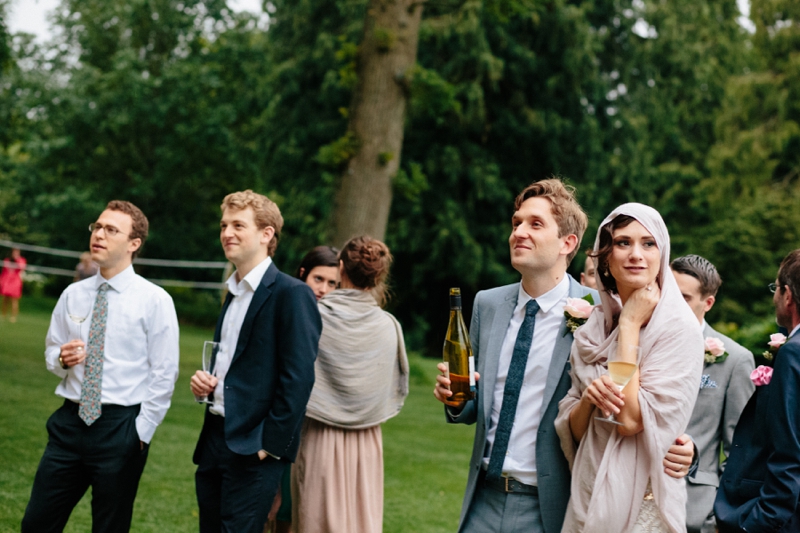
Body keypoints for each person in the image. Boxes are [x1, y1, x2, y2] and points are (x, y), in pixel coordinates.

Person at [433, 180, 695, 533]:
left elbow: (659, 390)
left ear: (567, 243)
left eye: (535, 224)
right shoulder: (488, 305)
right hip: (484, 496)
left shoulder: (593, 311)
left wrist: (687, 447)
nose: (519, 233)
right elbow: (478, 401)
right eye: (516, 223)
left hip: (552, 503)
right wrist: (456, 399)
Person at [21, 201, 180, 533]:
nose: (100, 235)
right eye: (97, 227)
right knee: (37, 523)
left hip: (120, 428)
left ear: (133, 244)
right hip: (69, 423)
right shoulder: (72, 294)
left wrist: (141, 433)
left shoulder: (155, 300)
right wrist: (61, 360)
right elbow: (52, 351)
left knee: (109, 527)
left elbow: (164, 373)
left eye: (111, 230)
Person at [554, 203, 704, 532]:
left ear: (661, 254)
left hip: (642, 504)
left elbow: (630, 419)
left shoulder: (679, 330)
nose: (636, 254)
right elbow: (578, 432)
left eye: (648, 243)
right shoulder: (592, 330)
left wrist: (631, 325)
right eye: (623, 243)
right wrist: (589, 399)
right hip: (588, 491)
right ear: (605, 256)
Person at [190, 190, 321, 533]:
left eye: (237, 225)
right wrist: (206, 385)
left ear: (266, 234)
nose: (226, 233)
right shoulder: (232, 292)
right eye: (223, 225)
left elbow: (299, 378)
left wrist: (269, 447)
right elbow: (236, 366)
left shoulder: (292, 294)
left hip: (253, 447)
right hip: (215, 439)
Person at [291, 235, 408, 533]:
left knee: (315, 522)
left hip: (318, 434)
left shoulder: (312, 317)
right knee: (361, 523)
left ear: (340, 267)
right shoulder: (389, 326)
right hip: (368, 440)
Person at [714, 249, 800, 533]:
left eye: (776, 288)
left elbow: (788, 451)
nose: (774, 296)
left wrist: (757, 522)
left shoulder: (793, 354)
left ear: (788, 295)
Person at [670, 255, 755, 533]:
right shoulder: (635, 343)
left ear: (707, 303)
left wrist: (719, 515)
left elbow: (740, 452)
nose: (670, 303)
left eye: (683, 297)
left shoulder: (735, 360)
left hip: (694, 512)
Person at [265, 244, 340, 533]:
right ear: (303, 275)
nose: (323, 289)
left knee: (295, 511)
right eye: (318, 279)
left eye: (332, 283)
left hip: (316, 429)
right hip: (281, 420)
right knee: (269, 506)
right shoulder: (285, 306)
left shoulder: (336, 321)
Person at [0, 247, 26, 322]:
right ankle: (3, 314)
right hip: (7, 281)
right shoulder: (7, 260)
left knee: (14, 300)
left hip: (15, 282)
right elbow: (4, 271)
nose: (15, 254)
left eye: (17, 252)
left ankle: (13, 316)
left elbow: (22, 268)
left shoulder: (21, 260)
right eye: (14, 252)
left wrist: (17, 260)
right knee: (5, 299)